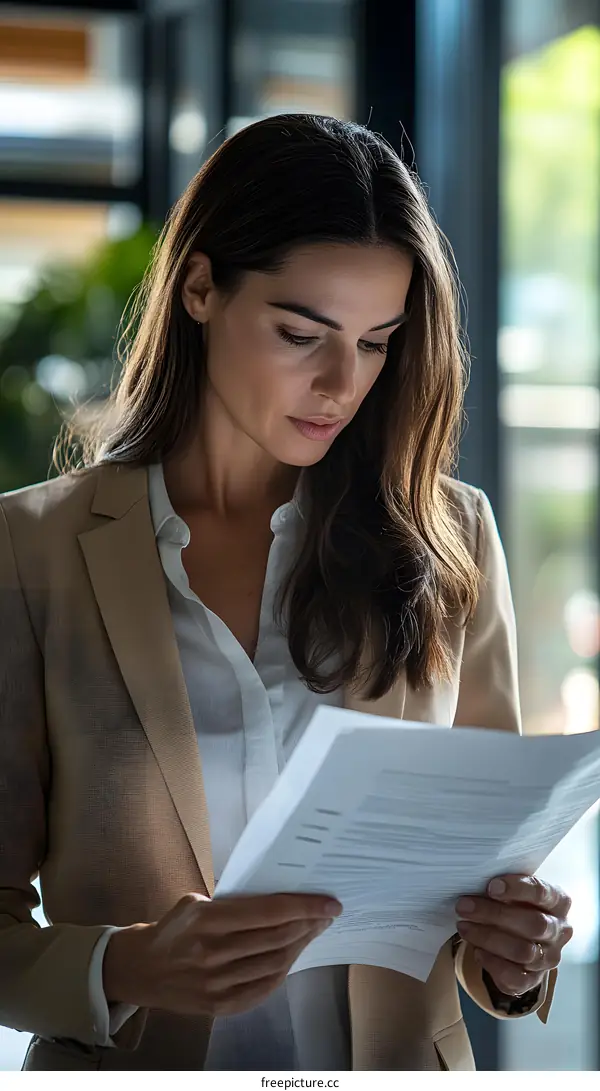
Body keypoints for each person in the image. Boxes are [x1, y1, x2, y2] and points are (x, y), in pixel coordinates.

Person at [0, 114, 572, 1073]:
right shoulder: (31, 550)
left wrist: (519, 948)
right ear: (199, 287)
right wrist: (125, 964)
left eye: (378, 342)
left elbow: (490, 889)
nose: (341, 384)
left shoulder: (449, 536)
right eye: (301, 333)